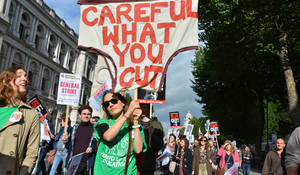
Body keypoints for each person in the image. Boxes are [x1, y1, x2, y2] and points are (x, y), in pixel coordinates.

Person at [93, 90, 147, 175]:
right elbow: (108, 136)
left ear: (123, 103)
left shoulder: (135, 126)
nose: (110, 105)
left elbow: (138, 150)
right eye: (106, 104)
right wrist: (128, 113)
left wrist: (135, 120)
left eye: (114, 101)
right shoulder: (102, 122)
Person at [0, 66, 40, 174]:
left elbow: (32, 152)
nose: (25, 79)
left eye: (26, 77)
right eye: (19, 76)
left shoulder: (31, 114)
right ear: (6, 81)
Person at [65, 105, 97, 175]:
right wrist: (65, 141)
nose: (86, 116)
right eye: (84, 114)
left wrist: (92, 148)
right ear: (80, 115)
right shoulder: (74, 128)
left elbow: (98, 146)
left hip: (87, 163)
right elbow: (68, 146)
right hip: (74, 162)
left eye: (88, 114)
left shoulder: (95, 129)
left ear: (91, 116)